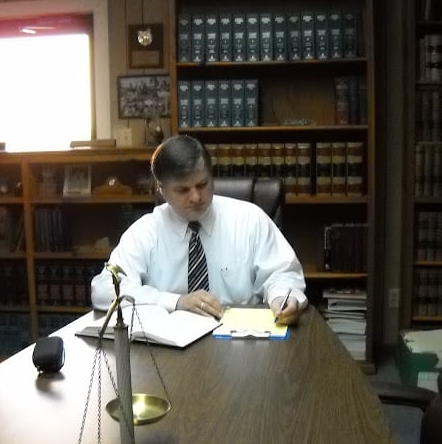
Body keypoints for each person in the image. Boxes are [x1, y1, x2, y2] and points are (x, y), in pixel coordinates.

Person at [90, 134, 307, 325]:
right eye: (182, 190)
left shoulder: (250, 219)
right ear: (161, 189)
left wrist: (282, 297)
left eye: (202, 184)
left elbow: (283, 273)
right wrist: (175, 302)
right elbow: (104, 289)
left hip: (240, 342)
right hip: (170, 347)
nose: (195, 197)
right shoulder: (145, 232)